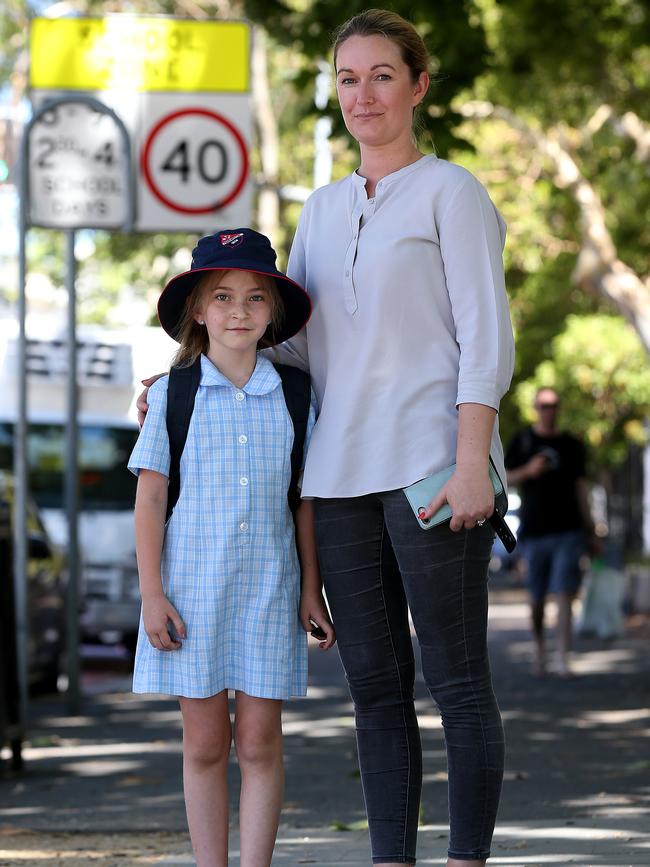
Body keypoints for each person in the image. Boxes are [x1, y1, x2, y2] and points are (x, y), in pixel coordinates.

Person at [140, 10, 514, 866]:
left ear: (418, 85)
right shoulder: (323, 204)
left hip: (431, 468)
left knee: (457, 683)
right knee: (376, 691)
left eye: (383, 74)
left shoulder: (451, 192)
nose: (364, 94)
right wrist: (181, 375)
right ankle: (391, 859)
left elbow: (485, 337)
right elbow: (292, 340)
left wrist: (470, 465)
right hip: (339, 475)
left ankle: (464, 861)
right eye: (349, 78)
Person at [129, 228, 335, 867]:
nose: (238, 311)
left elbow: (304, 501)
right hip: (191, 593)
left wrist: (311, 589)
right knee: (204, 745)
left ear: (273, 310)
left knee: (259, 742)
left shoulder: (297, 396)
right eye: (221, 297)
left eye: (253, 298)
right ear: (197, 308)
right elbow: (151, 500)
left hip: (270, 591)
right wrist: (152, 594)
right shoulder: (172, 395)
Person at [505, 387, 596, 678]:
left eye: (554, 405)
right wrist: (528, 471)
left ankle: (563, 656)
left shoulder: (572, 445)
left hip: (568, 529)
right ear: (535, 408)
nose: (550, 410)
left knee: (565, 592)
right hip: (534, 530)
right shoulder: (522, 441)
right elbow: (501, 477)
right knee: (537, 598)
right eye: (544, 405)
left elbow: (582, 488)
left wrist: (590, 529)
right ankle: (540, 651)